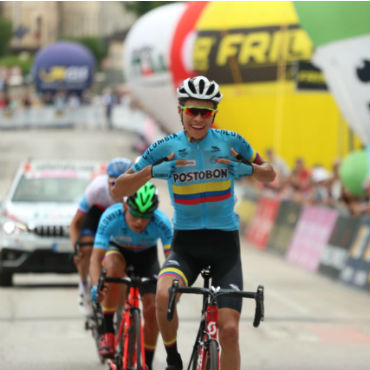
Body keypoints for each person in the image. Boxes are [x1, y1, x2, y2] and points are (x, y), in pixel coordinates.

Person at [111, 75, 276, 370]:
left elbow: (270, 174)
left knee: (229, 331)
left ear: (214, 114)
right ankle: (173, 359)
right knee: (163, 294)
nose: (199, 119)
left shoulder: (230, 141)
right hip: (186, 246)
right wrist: (151, 170)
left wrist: (248, 167)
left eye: (205, 112)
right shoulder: (165, 146)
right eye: (192, 111)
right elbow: (119, 189)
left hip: (225, 248)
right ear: (180, 111)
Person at [89, 182, 172, 370]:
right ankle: (108, 330)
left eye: (146, 216)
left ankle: (147, 363)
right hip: (118, 251)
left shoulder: (162, 222)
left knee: (152, 310)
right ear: (125, 206)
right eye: (135, 214)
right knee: (113, 267)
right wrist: (96, 286)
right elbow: (96, 259)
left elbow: (172, 264)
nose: (140, 222)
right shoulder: (111, 217)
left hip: (146, 257)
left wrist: (171, 293)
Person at [69, 157, 132, 315]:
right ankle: (84, 286)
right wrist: (76, 249)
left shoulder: (135, 190)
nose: (115, 188)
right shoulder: (96, 188)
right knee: (86, 248)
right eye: (112, 183)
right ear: (106, 180)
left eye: (121, 183)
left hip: (121, 219)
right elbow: (75, 223)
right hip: (96, 215)